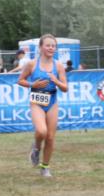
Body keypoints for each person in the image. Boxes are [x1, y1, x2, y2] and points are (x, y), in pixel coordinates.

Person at [18, 33, 68, 178]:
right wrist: (33, 84)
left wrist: (56, 81)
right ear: (40, 47)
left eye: (53, 46)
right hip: (36, 100)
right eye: (48, 45)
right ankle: (36, 148)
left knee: (51, 137)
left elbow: (65, 87)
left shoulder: (58, 65)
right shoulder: (32, 64)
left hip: (52, 100)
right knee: (41, 131)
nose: (51, 48)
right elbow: (20, 80)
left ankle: (45, 167)